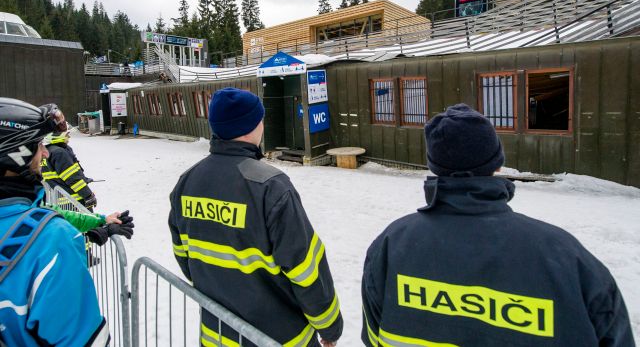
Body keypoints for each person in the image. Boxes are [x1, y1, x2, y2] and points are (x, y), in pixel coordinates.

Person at [361, 103, 635, 346]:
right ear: (497, 165)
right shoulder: (566, 257)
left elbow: (373, 336)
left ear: (434, 167)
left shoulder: (392, 244)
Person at [169, 88, 343, 347]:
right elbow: (306, 268)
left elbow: (185, 257)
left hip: (217, 335)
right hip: (278, 338)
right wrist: (330, 327)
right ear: (251, 126)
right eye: (260, 119)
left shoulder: (187, 182)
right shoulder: (271, 186)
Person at [0, 97, 109, 346]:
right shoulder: (51, 238)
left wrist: (97, 223)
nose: (44, 152)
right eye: (38, 145)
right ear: (17, 154)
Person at [41, 128, 98, 210]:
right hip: (74, 201)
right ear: (56, 136)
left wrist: (84, 179)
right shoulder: (59, 153)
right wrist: (88, 195)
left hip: (58, 201)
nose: (69, 137)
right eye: (66, 135)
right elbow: (72, 177)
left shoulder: (46, 151)